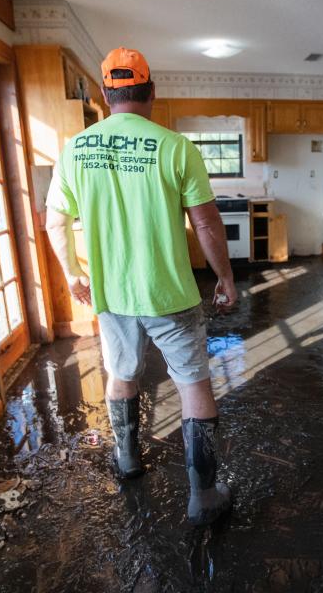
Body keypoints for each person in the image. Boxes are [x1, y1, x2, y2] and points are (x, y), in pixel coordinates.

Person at [44, 47, 236, 526]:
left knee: (122, 372)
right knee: (193, 381)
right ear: (151, 92)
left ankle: (128, 461)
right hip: (170, 294)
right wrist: (225, 277)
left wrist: (72, 274)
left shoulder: (75, 149)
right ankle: (204, 496)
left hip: (112, 297)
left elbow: (53, 222)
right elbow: (208, 224)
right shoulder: (175, 147)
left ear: (107, 94)